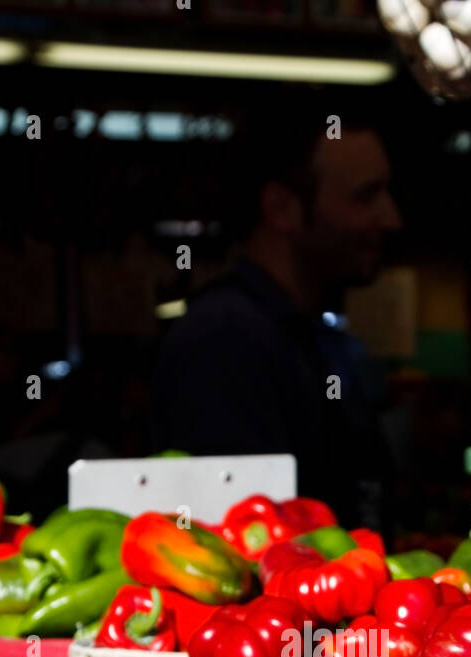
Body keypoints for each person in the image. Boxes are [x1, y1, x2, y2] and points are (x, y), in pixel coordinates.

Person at [150, 100, 402, 531]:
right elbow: (235, 536)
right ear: (282, 209)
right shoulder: (223, 340)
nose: (391, 218)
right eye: (365, 196)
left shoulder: (310, 336)